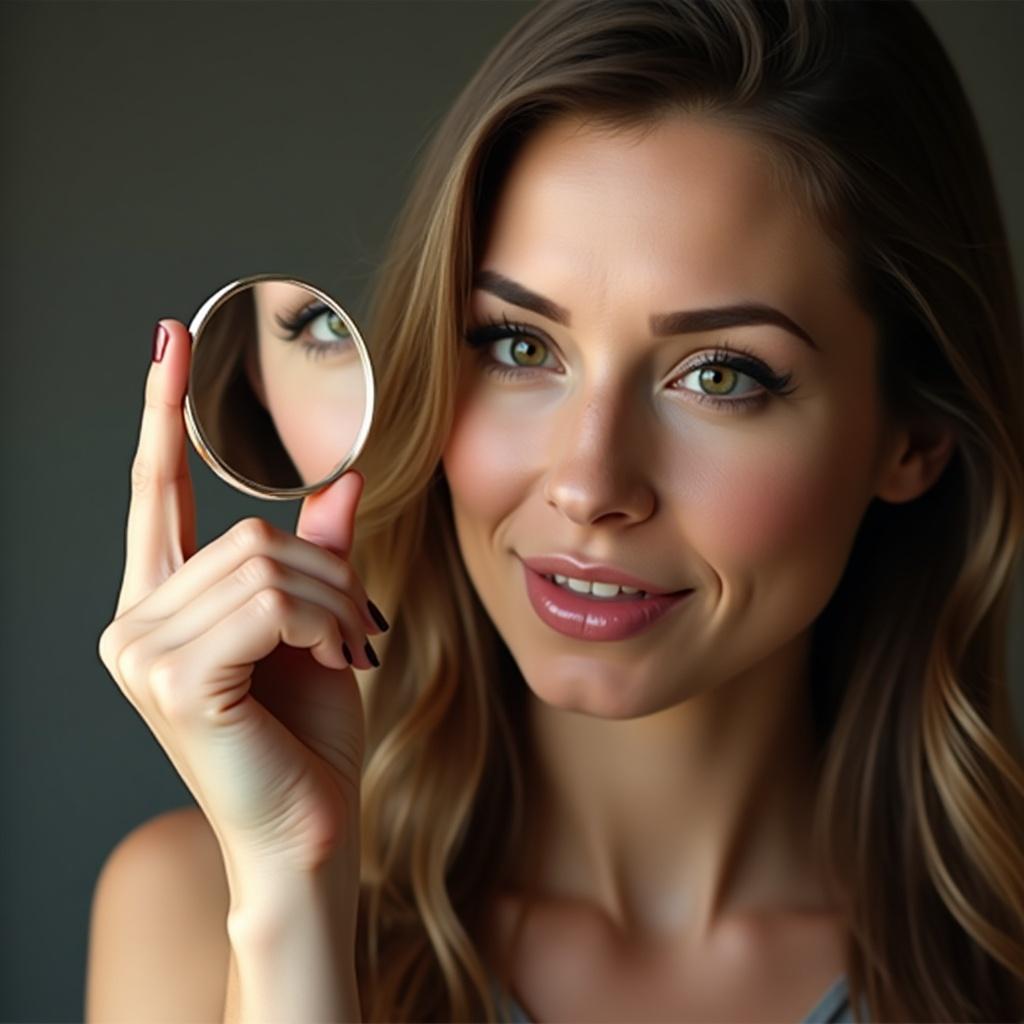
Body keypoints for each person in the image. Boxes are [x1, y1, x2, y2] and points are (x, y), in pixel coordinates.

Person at [85, 1, 1024, 1021]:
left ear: (913, 437)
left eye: (719, 375)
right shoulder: (193, 910)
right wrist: (291, 892)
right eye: (519, 347)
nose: (587, 483)